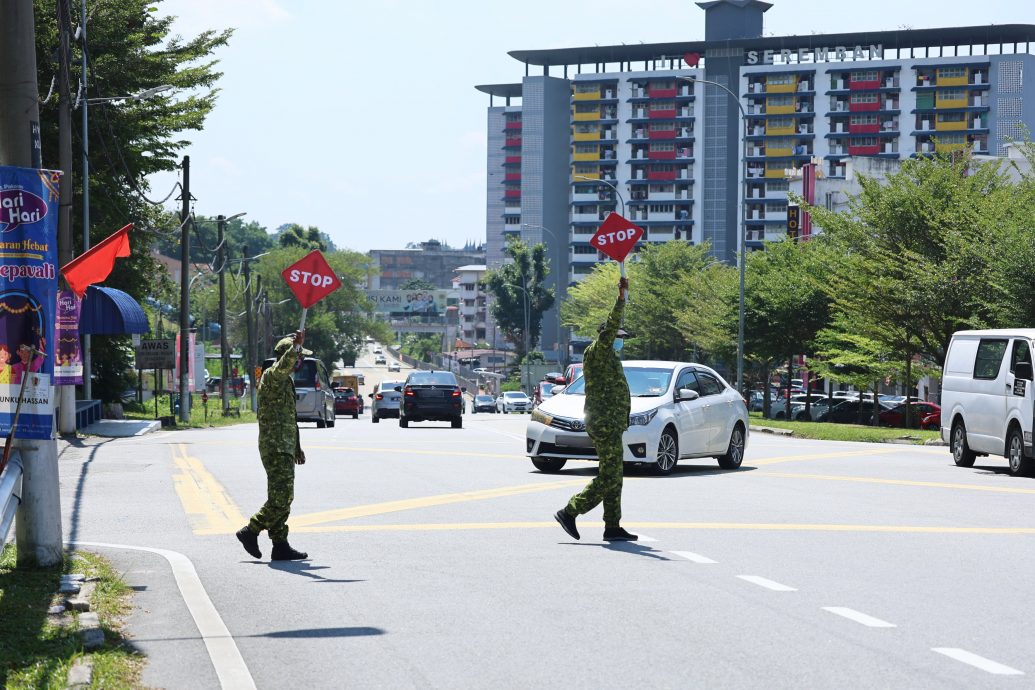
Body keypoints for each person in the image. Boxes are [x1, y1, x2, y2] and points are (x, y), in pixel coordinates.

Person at [554, 276, 637, 542]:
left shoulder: (611, 357)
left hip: (612, 424)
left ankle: (612, 526)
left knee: (613, 473)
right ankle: (570, 510)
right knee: (610, 475)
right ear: (607, 336)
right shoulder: (599, 351)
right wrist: (621, 299)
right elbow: (611, 327)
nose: (620, 341)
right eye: (618, 337)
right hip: (603, 423)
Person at [236, 330, 311, 561]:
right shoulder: (272, 375)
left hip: (284, 446)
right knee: (281, 498)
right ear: (287, 356)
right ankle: (251, 529)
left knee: (284, 496)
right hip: (275, 446)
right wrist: (295, 348)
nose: (300, 362)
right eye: (298, 358)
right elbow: (283, 366)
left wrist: (296, 447)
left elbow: (288, 417)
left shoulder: (285, 381)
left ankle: (280, 544)